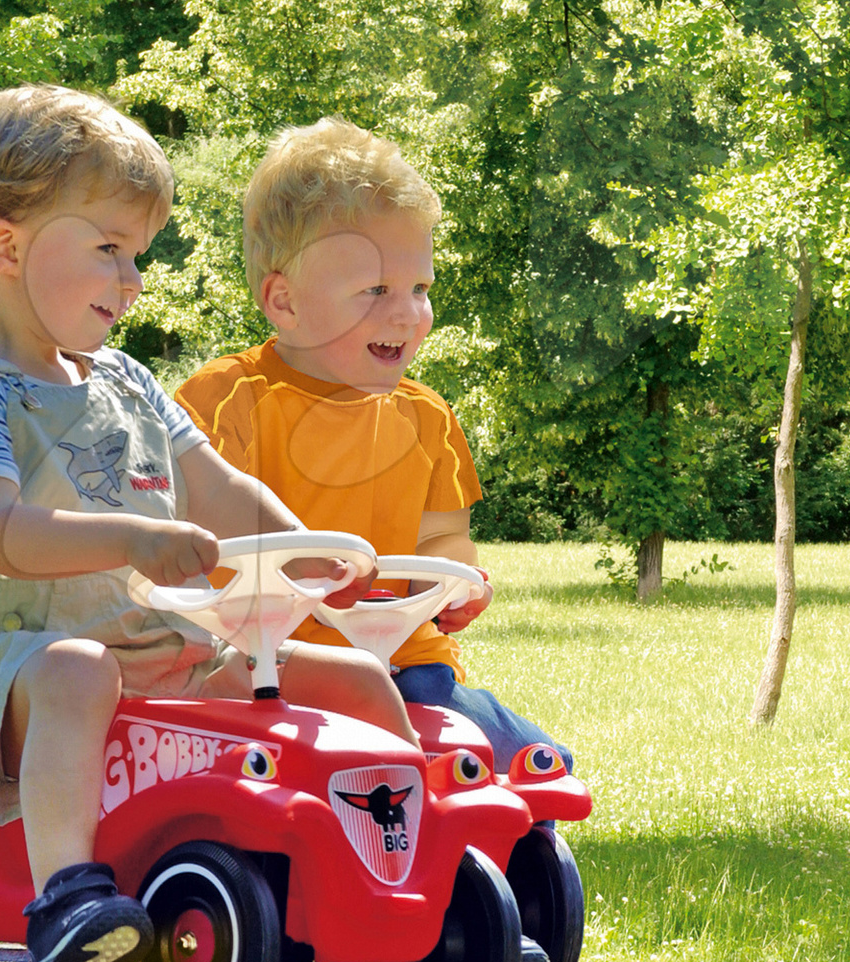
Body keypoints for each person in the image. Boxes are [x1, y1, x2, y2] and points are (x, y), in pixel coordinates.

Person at [0, 87, 414, 962]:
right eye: (108, 248)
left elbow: (222, 491)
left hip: (174, 647)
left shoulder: (129, 381)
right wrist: (140, 535)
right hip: (22, 667)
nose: (133, 278)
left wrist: (315, 553)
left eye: (136, 254)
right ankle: (68, 906)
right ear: (6, 247)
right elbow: (0, 534)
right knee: (77, 670)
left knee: (358, 684)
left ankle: (410, 889)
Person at [174, 117, 572, 775]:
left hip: (412, 670)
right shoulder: (226, 401)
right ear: (285, 301)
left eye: (419, 289)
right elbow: (199, 551)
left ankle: (508, 868)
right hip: (272, 674)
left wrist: (458, 583)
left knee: (527, 763)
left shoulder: (427, 416)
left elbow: (442, 542)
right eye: (375, 291)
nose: (406, 313)